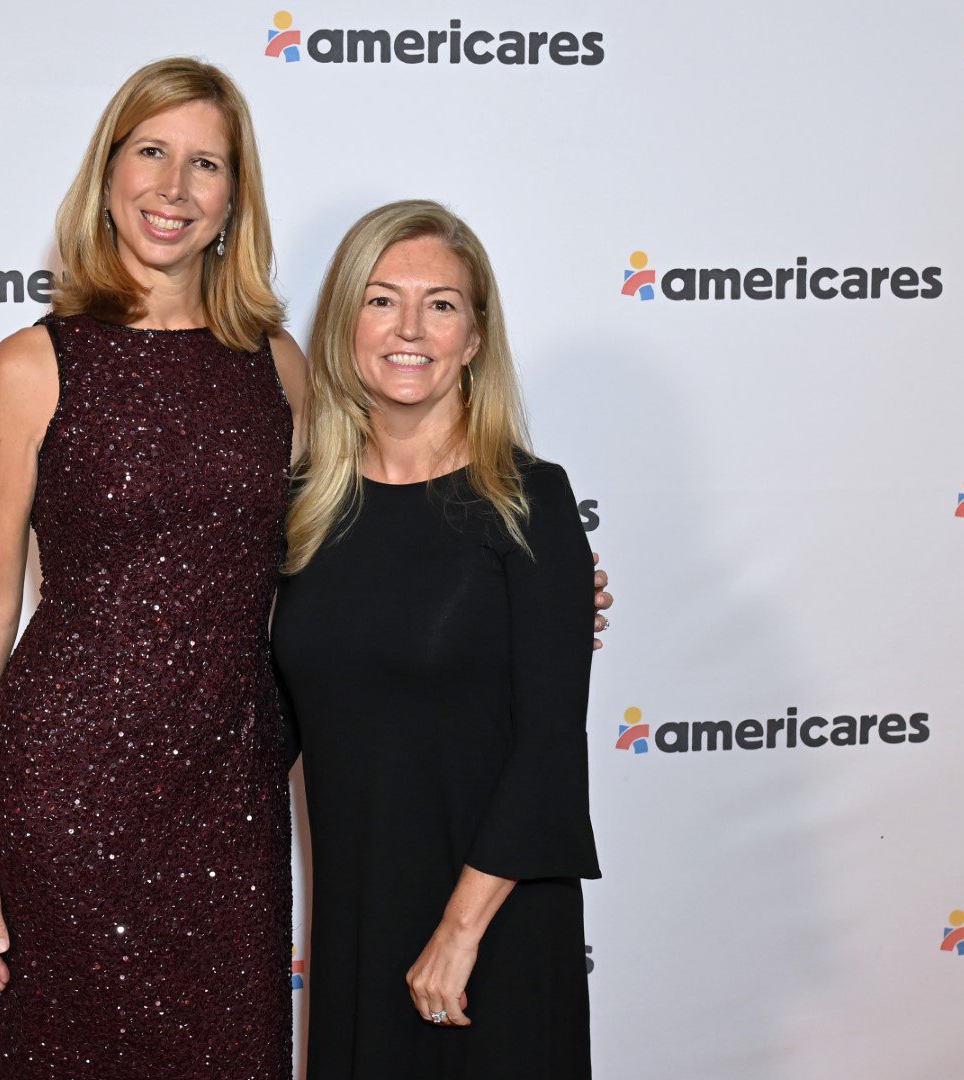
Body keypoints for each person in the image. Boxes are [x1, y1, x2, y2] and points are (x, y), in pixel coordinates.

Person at [0, 58, 306, 1078]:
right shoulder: (33, 364)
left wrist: (524, 587)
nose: (174, 188)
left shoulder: (278, 366)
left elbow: (348, 554)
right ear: (108, 174)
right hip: (65, 796)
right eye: (151, 152)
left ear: (235, 199)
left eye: (205, 165)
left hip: (229, 799)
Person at [272, 200, 601, 1078]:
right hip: (358, 921)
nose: (410, 328)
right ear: (346, 325)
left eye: (441, 304)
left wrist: (458, 936)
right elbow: (267, 724)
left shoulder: (530, 500)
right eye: (381, 300)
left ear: (476, 337)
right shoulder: (306, 509)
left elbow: (548, 756)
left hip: (491, 926)